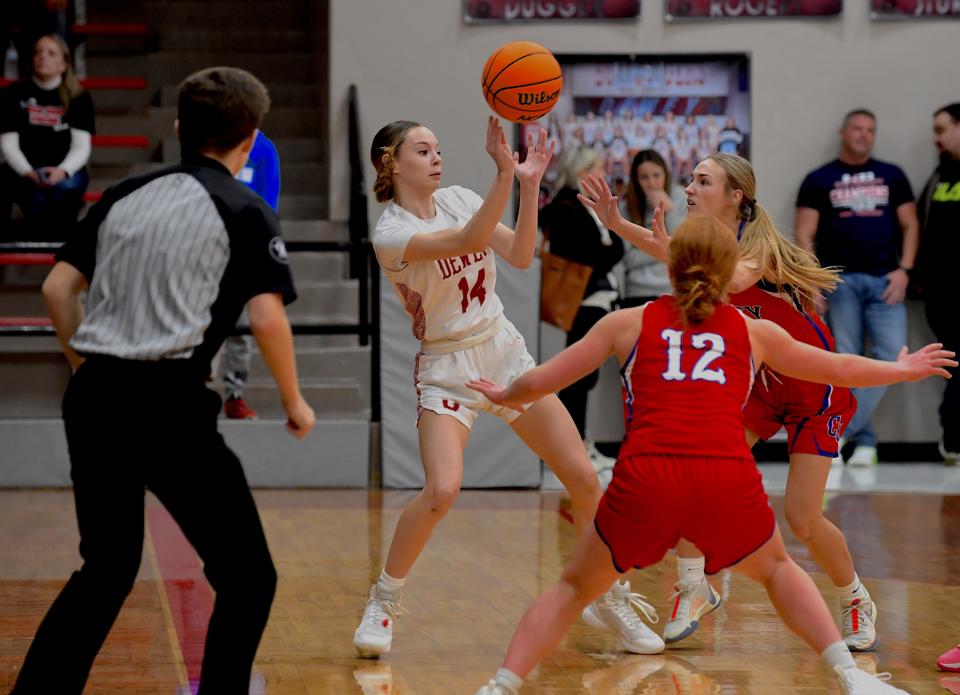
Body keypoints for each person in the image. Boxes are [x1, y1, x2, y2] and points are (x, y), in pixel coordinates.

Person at [470, 216, 953, 695]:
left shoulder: (628, 322)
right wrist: (902, 369)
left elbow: (543, 380)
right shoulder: (750, 331)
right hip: (723, 474)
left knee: (574, 587)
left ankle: (501, 685)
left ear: (669, 267)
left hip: (646, 475)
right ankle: (853, 679)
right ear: (729, 273)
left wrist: (505, 390)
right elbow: (837, 367)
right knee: (779, 571)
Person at [10, 66, 316, 695]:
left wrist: (83, 366)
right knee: (248, 577)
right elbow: (267, 319)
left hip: (93, 399)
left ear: (179, 128)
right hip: (169, 404)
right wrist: (294, 401)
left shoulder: (124, 193)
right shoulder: (245, 207)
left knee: (107, 568)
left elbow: (56, 287)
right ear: (251, 137)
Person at [352, 117, 663, 660]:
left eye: (439, 147)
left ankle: (607, 594)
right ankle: (384, 598)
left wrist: (525, 184)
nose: (436, 157)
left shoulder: (460, 197)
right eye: (422, 150)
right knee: (442, 491)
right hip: (447, 365)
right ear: (390, 163)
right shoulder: (391, 232)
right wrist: (504, 174)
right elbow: (469, 240)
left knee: (586, 479)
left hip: (503, 351)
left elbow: (521, 256)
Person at [580, 152, 881, 653]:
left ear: (735, 194)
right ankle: (693, 584)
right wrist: (618, 223)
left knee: (804, 518)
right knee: (695, 476)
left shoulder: (757, 247)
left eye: (703, 182)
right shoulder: (705, 246)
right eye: (690, 181)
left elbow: (730, 278)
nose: (689, 190)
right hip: (758, 389)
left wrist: (653, 241)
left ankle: (855, 599)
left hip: (812, 389)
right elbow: (676, 256)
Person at [795, 108, 919, 467]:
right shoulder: (820, 179)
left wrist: (905, 270)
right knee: (846, 359)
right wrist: (811, 280)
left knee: (892, 355)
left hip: (886, 281)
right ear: (843, 132)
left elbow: (911, 225)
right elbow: (805, 233)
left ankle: (837, 433)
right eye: (857, 128)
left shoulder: (892, 175)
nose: (863, 135)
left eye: (870, 130)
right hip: (839, 281)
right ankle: (865, 442)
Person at [540, 146, 624, 476]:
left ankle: (579, 445)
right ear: (582, 171)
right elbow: (595, 255)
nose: (603, 173)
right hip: (583, 302)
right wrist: (611, 242)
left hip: (596, 301)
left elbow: (604, 250)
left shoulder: (582, 206)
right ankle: (572, 449)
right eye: (598, 167)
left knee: (582, 378)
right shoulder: (566, 206)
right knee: (576, 378)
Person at [0, 33, 92, 238]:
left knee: (66, 188)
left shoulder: (78, 97)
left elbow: (81, 146)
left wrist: (63, 171)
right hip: (24, 169)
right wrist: (27, 172)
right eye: (38, 52)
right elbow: (8, 145)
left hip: (63, 168)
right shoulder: (14, 93)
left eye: (51, 53)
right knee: (13, 185)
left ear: (64, 63)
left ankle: (61, 241)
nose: (43, 57)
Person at [221, 129, 282, 420]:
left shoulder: (264, 150)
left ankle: (234, 395)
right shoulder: (215, 141)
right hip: (204, 245)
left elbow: (267, 206)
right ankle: (193, 388)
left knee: (241, 327)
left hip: (244, 250)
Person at [916, 103, 960, 466]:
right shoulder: (938, 179)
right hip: (942, 294)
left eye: (941, 129)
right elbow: (920, 226)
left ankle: (953, 436)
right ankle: (954, 438)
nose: (937, 139)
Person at [620, 149, 687, 309]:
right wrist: (666, 248)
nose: (651, 182)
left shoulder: (680, 197)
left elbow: (685, 248)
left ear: (665, 174)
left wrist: (669, 212)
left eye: (656, 175)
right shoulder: (626, 207)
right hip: (637, 291)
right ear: (636, 181)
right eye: (644, 177)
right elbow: (628, 260)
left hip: (674, 289)